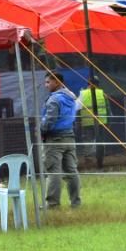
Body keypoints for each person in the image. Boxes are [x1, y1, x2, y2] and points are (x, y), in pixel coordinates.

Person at [41, 71, 81, 209]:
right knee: (72, 171)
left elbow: (50, 119)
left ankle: (52, 204)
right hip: (69, 137)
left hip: (55, 139)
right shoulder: (71, 97)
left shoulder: (54, 99)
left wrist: (41, 130)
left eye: (48, 82)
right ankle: (75, 202)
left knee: (53, 172)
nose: (46, 85)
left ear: (57, 82)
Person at [78, 74, 110, 166]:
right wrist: (109, 121)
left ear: (88, 83)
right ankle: (100, 159)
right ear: (98, 84)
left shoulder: (82, 94)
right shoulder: (102, 94)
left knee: (88, 140)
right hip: (101, 122)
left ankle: (88, 159)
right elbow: (108, 110)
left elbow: (77, 109)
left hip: (87, 122)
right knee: (100, 140)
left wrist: (78, 122)